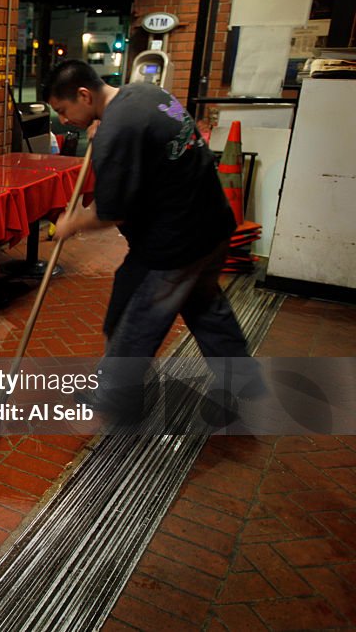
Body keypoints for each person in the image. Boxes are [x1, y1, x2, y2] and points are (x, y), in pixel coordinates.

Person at [44, 60, 250, 420]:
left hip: (175, 245)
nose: (63, 119)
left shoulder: (116, 130)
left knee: (134, 317)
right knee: (205, 308)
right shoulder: (143, 93)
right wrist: (106, 127)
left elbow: (111, 212)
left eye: (63, 110)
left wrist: (72, 223)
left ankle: (115, 398)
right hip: (212, 226)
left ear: (83, 94)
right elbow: (147, 136)